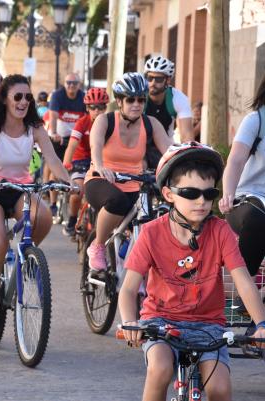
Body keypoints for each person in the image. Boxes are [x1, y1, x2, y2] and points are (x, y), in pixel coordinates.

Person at [118, 142, 265, 401]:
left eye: (209, 193)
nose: (202, 202)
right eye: (191, 193)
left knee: (220, 389)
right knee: (160, 369)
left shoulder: (220, 231)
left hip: (209, 325)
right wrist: (130, 322)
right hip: (160, 322)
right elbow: (127, 289)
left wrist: (262, 323)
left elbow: (244, 282)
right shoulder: (150, 234)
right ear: (169, 194)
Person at [0, 74, 74, 329]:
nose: (24, 102)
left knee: (44, 217)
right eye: (17, 96)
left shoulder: (35, 128)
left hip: (20, 188)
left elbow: (52, 160)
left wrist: (69, 183)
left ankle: (24, 259)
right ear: (4, 100)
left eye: (28, 97)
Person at [85, 72, 172, 272]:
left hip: (135, 183)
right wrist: (100, 166)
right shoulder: (105, 121)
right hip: (101, 180)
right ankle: (97, 245)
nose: (136, 105)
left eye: (141, 100)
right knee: (118, 201)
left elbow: (169, 150)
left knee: (150, 220)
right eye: (130, 100)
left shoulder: (151, 124)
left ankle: (128, 262)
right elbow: (95, 147)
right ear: (119, 101)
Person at [219, 56, 265, 277]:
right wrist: (228, 194)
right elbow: (236, 160)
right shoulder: (256, 121)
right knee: (258, 220)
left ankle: (262, 298)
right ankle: (241, 292)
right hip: (250, 201)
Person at [61, 87, 109, 237]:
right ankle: (72, 219)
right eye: (93, 107)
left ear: (105, 107)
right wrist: (66, 165)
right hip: (80, 159)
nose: (97, 111)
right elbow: (72, 145)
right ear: (87, 108)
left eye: (101, 107)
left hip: (101, 160)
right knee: (78, 191)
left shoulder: (110, 122)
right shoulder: (82, 122)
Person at [47, 73, 86, 217]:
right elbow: (53, 115)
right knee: (56, 168)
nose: (71, 86)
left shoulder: (83, 97)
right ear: (64, 83)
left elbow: (88, 117)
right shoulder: (58, 95)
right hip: (60, 137)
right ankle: (52, 203)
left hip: (76, 138)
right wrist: (54, 132)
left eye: (74, 83)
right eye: (68, 82)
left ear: (79, 84)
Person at [143, 55, 194, 147]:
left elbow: (187, 136)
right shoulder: (139, 97)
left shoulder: (178, 98)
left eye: (158, 79)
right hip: (140, 145)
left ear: (168, 80)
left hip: (165, 146)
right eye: (149, 78)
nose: (153, 83)